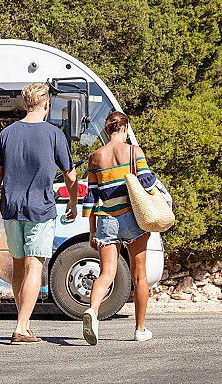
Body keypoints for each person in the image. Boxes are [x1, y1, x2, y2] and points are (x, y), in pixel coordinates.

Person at [0, 83, 78, 345]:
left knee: (19, 265)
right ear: (46, 104)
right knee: (35, 265)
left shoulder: (8, 133)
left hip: (11, 209)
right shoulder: (54, 134)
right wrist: (72, 202)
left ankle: (23, 321)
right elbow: (70, 175)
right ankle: (21, 327)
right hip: (41, 209)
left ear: (25, 105)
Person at [81, 111, 157, 345]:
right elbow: (147, 183)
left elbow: (91, 198)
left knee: (106, 273)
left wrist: (92, 230)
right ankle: (140, 330)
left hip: (106, 220)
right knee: (139, 276)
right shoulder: (134, 151)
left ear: (107, 130)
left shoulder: (95, 156)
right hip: (133, 219)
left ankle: (93, 311)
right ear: (124, 129)